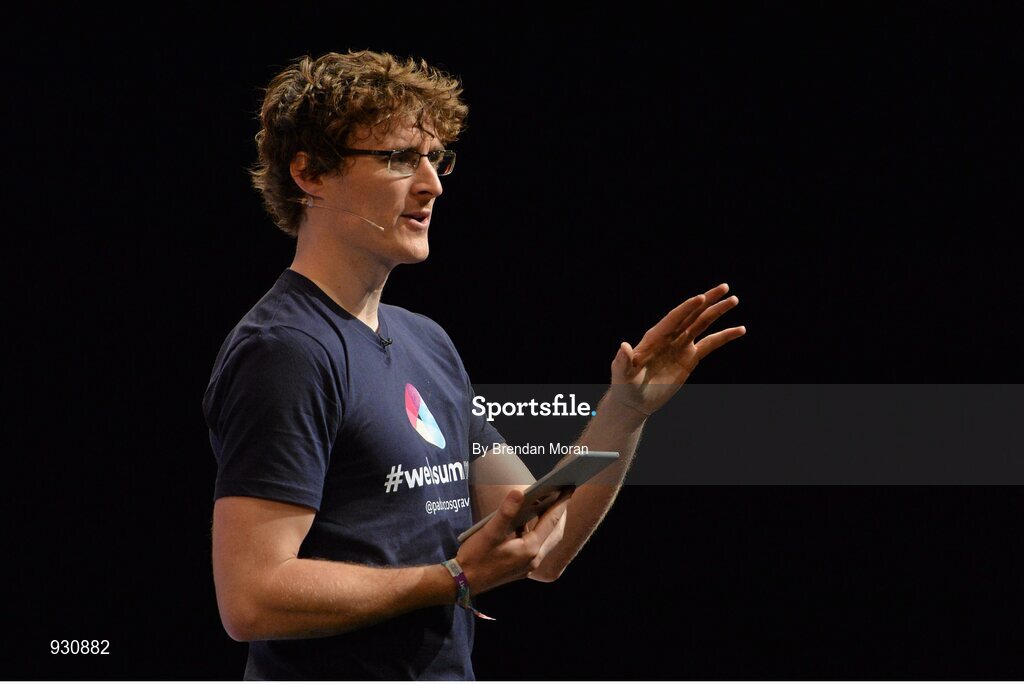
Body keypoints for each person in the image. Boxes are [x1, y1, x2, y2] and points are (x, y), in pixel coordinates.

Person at [203, 49, 745, 680]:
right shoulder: (286, 350)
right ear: (310, 174)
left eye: (437, 159)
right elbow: (252, 597)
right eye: (400, 158)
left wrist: (624, 411)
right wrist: (453, 577)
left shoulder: (427, 342)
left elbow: (544, 545)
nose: (432, 183)